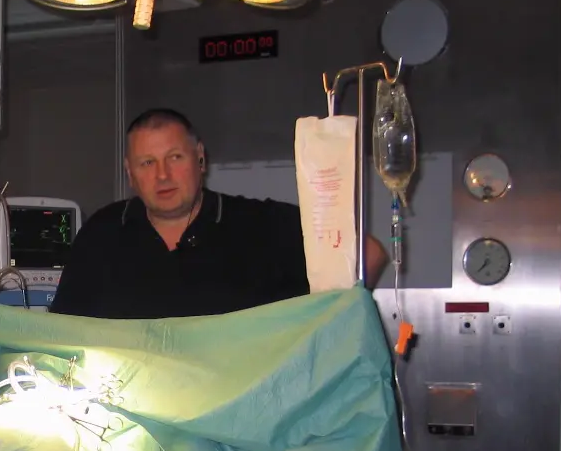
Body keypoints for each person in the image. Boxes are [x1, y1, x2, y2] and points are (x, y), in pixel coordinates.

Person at [49, 108, 388, 319]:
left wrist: (316, 332)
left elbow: (368, 254)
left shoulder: (257, 226)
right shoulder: (103, 233)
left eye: (175, 158)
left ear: (200, 158)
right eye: (147, 163)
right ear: (130, 172)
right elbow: (63, 329)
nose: (162, 175)